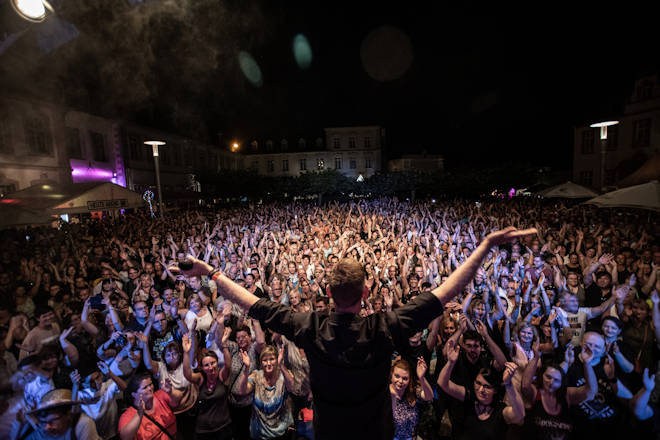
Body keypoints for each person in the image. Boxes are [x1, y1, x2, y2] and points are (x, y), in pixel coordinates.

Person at [170, 226, 537, 439]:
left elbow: (252, 304)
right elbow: (448, 292)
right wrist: (486, 244)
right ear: (366, 294)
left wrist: (210, 273)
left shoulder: (307, 326)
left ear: (328, 293)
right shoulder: (385, 326)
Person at [437, 340, 525, 440]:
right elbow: (442, 383)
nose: (481, 389)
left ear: (495, 390)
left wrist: (508, 384)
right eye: (478, 383)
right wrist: (450, 363)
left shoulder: (500, 411)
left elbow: (520, 415)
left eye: (487, 386)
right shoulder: (469, 397)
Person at [181, 324, 233, 440]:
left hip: (223, 427)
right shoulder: (200, 378)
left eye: (213, 363)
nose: (211, 367)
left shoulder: (221, 376)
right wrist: (186, 352)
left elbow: (228, 366)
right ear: (202, 368)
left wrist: (224, 346)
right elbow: (187, 374)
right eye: (206, 365)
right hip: (203, 430)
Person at [237, 345, 295, 440]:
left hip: (281, 434)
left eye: (272, 359)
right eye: (265, 360)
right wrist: (246, 368)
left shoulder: (284, 375)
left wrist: (281, 365)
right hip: (259, 434)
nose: (268, 363)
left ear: (277, 359)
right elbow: (242, 391)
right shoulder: (256, 375)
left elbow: (292, 387)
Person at [118, 372, 183, 440]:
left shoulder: (159, 395)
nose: (150, 388)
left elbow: (178, 399)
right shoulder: (128, 415)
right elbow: (125, 437)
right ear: (134, 394)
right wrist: (139, 414)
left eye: (150, 384)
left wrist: (170, 392)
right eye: (145, 387)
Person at [15, 389, 100, 440]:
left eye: (52, 421)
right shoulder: (43, 429)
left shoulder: (82, 424)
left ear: (68, 415)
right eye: (43, 422)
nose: (47, 427)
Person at [389, 358, 433, 440]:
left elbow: (429, 396)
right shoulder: (385, 393)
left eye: (405, 378)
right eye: (397, 376)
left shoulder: (412, 390)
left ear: (409, 380)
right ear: (391, 375)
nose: (400, 381)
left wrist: (422, 377)